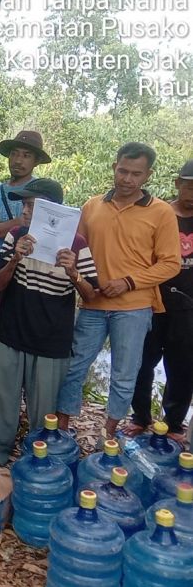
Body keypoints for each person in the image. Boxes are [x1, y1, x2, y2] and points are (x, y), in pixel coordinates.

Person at [57, 143, 181, 439]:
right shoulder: (91, 206)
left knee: (124, 374)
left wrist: (128, 282)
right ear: (114, 167)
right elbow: (78, 248)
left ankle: (109, 434)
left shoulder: (161, 212)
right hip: (92, 303)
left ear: (147, 175)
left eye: (135, 174)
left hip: (134, 307)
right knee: (73, 366)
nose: (127, 179)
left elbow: (170, 264)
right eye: (123, 170)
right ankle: (60, 429)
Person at [0, 179, 99, 466]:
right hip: (12, 334)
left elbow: (91, 295)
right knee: (1, 406)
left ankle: (39, 467)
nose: (26, 210)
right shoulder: (18, 236)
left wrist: (73, 273)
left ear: (53, 209)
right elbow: (0, 282)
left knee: (43, 414)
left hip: (51, 342)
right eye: (25, 204)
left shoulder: (76, 245)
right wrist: (15, 259)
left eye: (33, 205)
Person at [123, 160, 193, 442]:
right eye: (188, 185)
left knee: (183, 365)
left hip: (188, 307)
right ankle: (141, 416)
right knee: (141, 362)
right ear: (177, 183)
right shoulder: (160, 213)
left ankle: (174, 423)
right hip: (152, 300)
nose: (192, 191)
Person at [0, 131, 50, 395]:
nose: (18, 160)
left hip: (33, 284)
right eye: (15, 153)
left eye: (26, 155)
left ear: (36, 161)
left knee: (28, 344)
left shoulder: (46, 194)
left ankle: (25, 405)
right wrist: (17, 223)